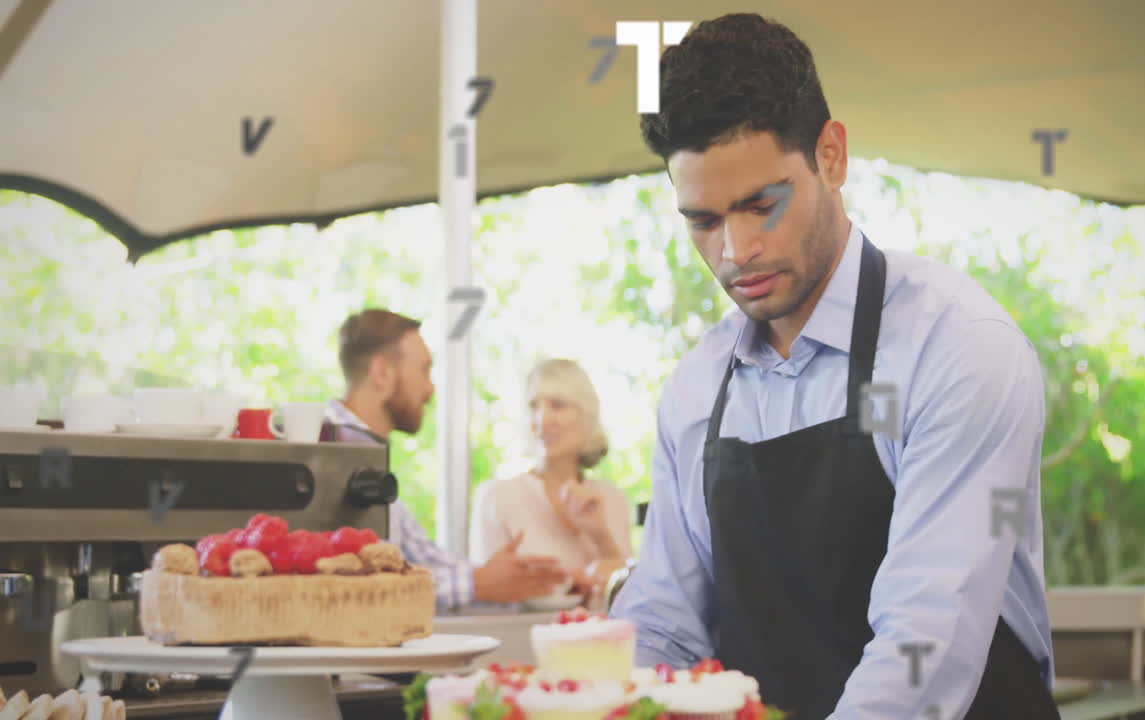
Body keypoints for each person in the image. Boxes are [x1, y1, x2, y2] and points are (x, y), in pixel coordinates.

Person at [608, 13, 1059, 720]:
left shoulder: (956, 347)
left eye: (762, 205)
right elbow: (666, 623)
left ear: (832, 155)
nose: (735, 251)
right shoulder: (696, 390)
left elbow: (925, 641)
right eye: (703, 220)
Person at [322, 308, 568, 610]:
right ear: (382, 373)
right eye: (424, 370)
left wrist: (531, 578)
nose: (430, 389)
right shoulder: (325, 456)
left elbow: (421, 560)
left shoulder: (366, 459)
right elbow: (360, 587)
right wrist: (478, 583)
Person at [469, 359, 633, 598]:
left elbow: (632, 596)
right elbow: (486, 596)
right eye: (534, 406)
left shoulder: (613, 499)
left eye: (557, 405)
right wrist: (566, 585)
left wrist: (601, 537)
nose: (542, 420)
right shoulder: (496, 497)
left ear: (586, 416)